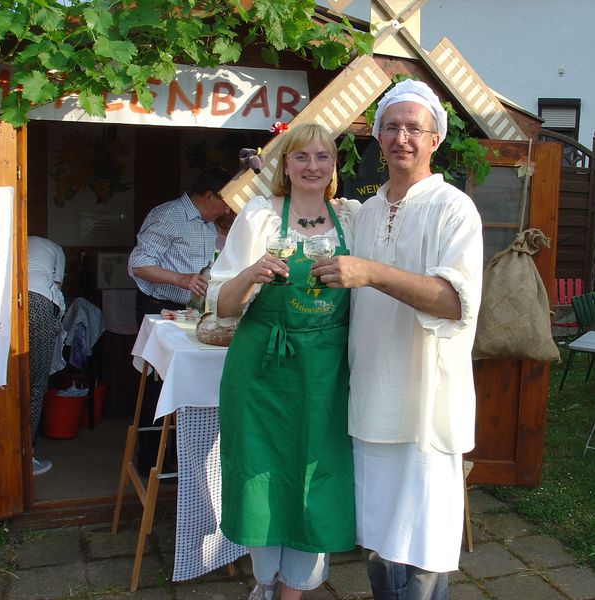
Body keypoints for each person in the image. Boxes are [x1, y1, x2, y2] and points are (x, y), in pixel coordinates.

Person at [312, 80, 484, 598]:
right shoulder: (362, 213)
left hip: (424, 405)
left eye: (414, 127)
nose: (401, 137)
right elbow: (301, 199)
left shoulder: (454, 209)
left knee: (424, 545)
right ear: (378, 139)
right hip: (370, 402)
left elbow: (456, 302)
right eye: (391, 126)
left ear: (435, 139)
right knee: (380, 541)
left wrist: (371, 272)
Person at [207, 123, 361, 600]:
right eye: (301, 158)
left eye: (322, 158)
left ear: (334, 167)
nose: (312, 166)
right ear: (285, 166)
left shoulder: (352, 220)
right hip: (262, 370)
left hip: (325, 372)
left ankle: (293, 590)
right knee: (262, 475)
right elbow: (222, 305)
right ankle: (265, 582)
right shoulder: (259, 217)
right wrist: (252, 273)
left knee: (316, 475)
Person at [128, 169, 229, 474]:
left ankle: (187, 460)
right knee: (157, 386)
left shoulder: (209, 222)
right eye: (224, 202)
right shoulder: (169, 216)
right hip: (160, 307)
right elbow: (138, 264)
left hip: (192, 311)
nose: (226, 209)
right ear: (209, 196)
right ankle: (150, 461)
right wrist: (182, 279)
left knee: (188, 382)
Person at [27, 236, 67, 476]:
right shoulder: (56, 248)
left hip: (5, 300)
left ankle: (2, 454)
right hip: (39, 303)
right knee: (35, 384)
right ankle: (27, 458)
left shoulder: (12, 240)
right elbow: (57, 285)